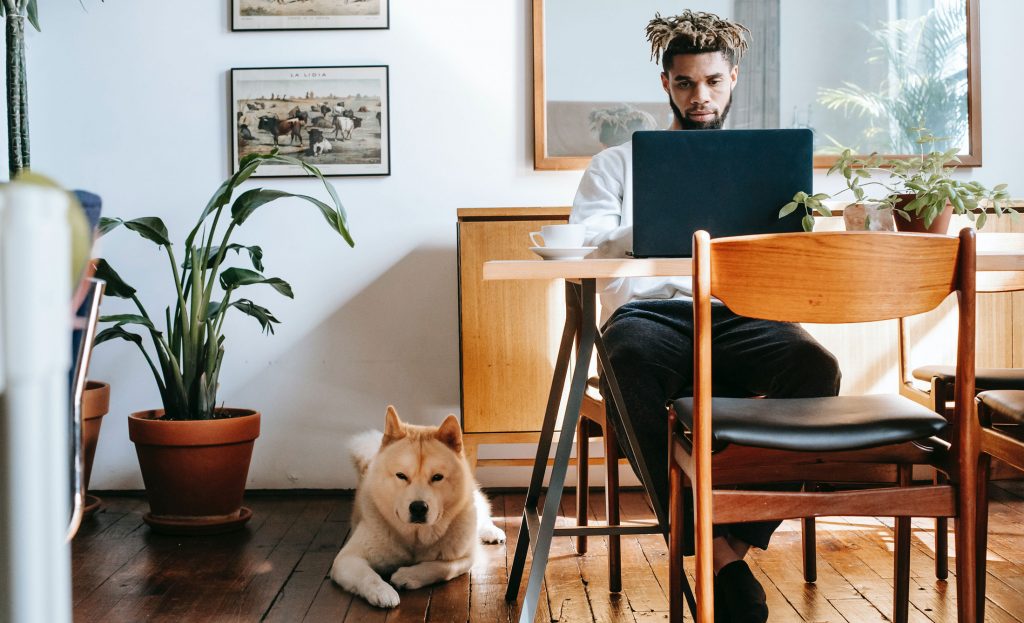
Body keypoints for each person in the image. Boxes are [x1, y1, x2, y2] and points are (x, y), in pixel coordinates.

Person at [569, 11, 842, 623]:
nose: (701, 97)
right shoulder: (615, 166)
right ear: (667, 83)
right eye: (687, 83)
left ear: (733, 78)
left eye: (714, 82)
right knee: (628, 359)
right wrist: (669, 224)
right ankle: (700, 545)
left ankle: (728, 546)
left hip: (738, 313)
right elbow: (587, 247)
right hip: (651, 315)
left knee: (814, 368)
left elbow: (787, 255)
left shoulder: (760, 168)